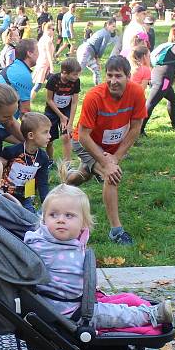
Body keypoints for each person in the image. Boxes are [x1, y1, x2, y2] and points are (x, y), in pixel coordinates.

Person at [24, 183, 172, 329]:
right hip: (68, 311)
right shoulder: (40, 245)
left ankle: (145, 310)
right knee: (114, 314)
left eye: (69, 215)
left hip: (80, 300)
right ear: (43, 220)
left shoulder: (71, 240)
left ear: (84, 224)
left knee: (117, 305)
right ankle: (150, 315)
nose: (60, 219)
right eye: (53, 215)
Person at [66, 55, 146, 245]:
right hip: (85, 142)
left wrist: (116, 157)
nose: (113, 81)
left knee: (85, 174)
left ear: (128, 76)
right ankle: (116, 231)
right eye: (109, 75)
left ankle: (65, 184)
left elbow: (135, 128)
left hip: (112, 147)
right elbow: (83, 135)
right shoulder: (94, 96)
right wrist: (107, 162)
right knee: (112, 174)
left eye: (118, 76)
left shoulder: (136, 93)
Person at [143, 26, 175, 133]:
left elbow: (151, 58)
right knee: (150, 103)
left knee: (172, 98)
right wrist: (171, 82)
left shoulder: (167, 45)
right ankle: (139, 130)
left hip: (155, 74)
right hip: (164, 80)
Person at [0, 112, 51, 212]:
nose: (49, 136)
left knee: (30, 218)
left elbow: (42, 182)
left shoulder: (43, 157)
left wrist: (46, 203)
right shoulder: (11, 151)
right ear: (31, 135)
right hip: (5, 193)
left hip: (25, 196)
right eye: (45, 132)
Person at [44, 57, 81, 163]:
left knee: (66, 136)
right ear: (65, 72)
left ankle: (67, 163)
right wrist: (61, 116)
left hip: (66, 110)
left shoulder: (75, 82)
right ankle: (49, 160)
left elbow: (74, 102)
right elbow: (49, 100)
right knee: (49, 139)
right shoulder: (53, 80)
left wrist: (70, 122)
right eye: (74, 74)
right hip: (52, 111)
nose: (77, 77)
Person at [0, 38, 38, 116]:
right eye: (37, 52)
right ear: (29, 53)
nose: (39, 55)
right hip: (0, 124)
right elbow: (25, 111)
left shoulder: (16, 66)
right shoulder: (23, 74)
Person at [76, 17, 118, 85]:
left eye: (115, 26)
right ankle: (69, 86)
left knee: (97, 71)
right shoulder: (107, 34)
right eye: (113, 26)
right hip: (86, 51)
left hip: (87, 51)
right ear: (108, 25)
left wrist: (97, 60)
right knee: (78, 71)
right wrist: (98, 59)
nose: (114, 28)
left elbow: (97, 48)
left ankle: (98, 88)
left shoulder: (103, 31)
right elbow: (102, 48)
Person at [32, 23, 55, 100]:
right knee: (38, 84)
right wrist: (51, 66)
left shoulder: (43, 38)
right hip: (44, 63)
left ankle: (54, 99)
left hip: (42, 62)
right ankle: (28, 100)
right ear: (47, 29)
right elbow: (48, 53)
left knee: (53, 82)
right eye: (53, 29)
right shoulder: (47, 40)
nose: (54, 31)